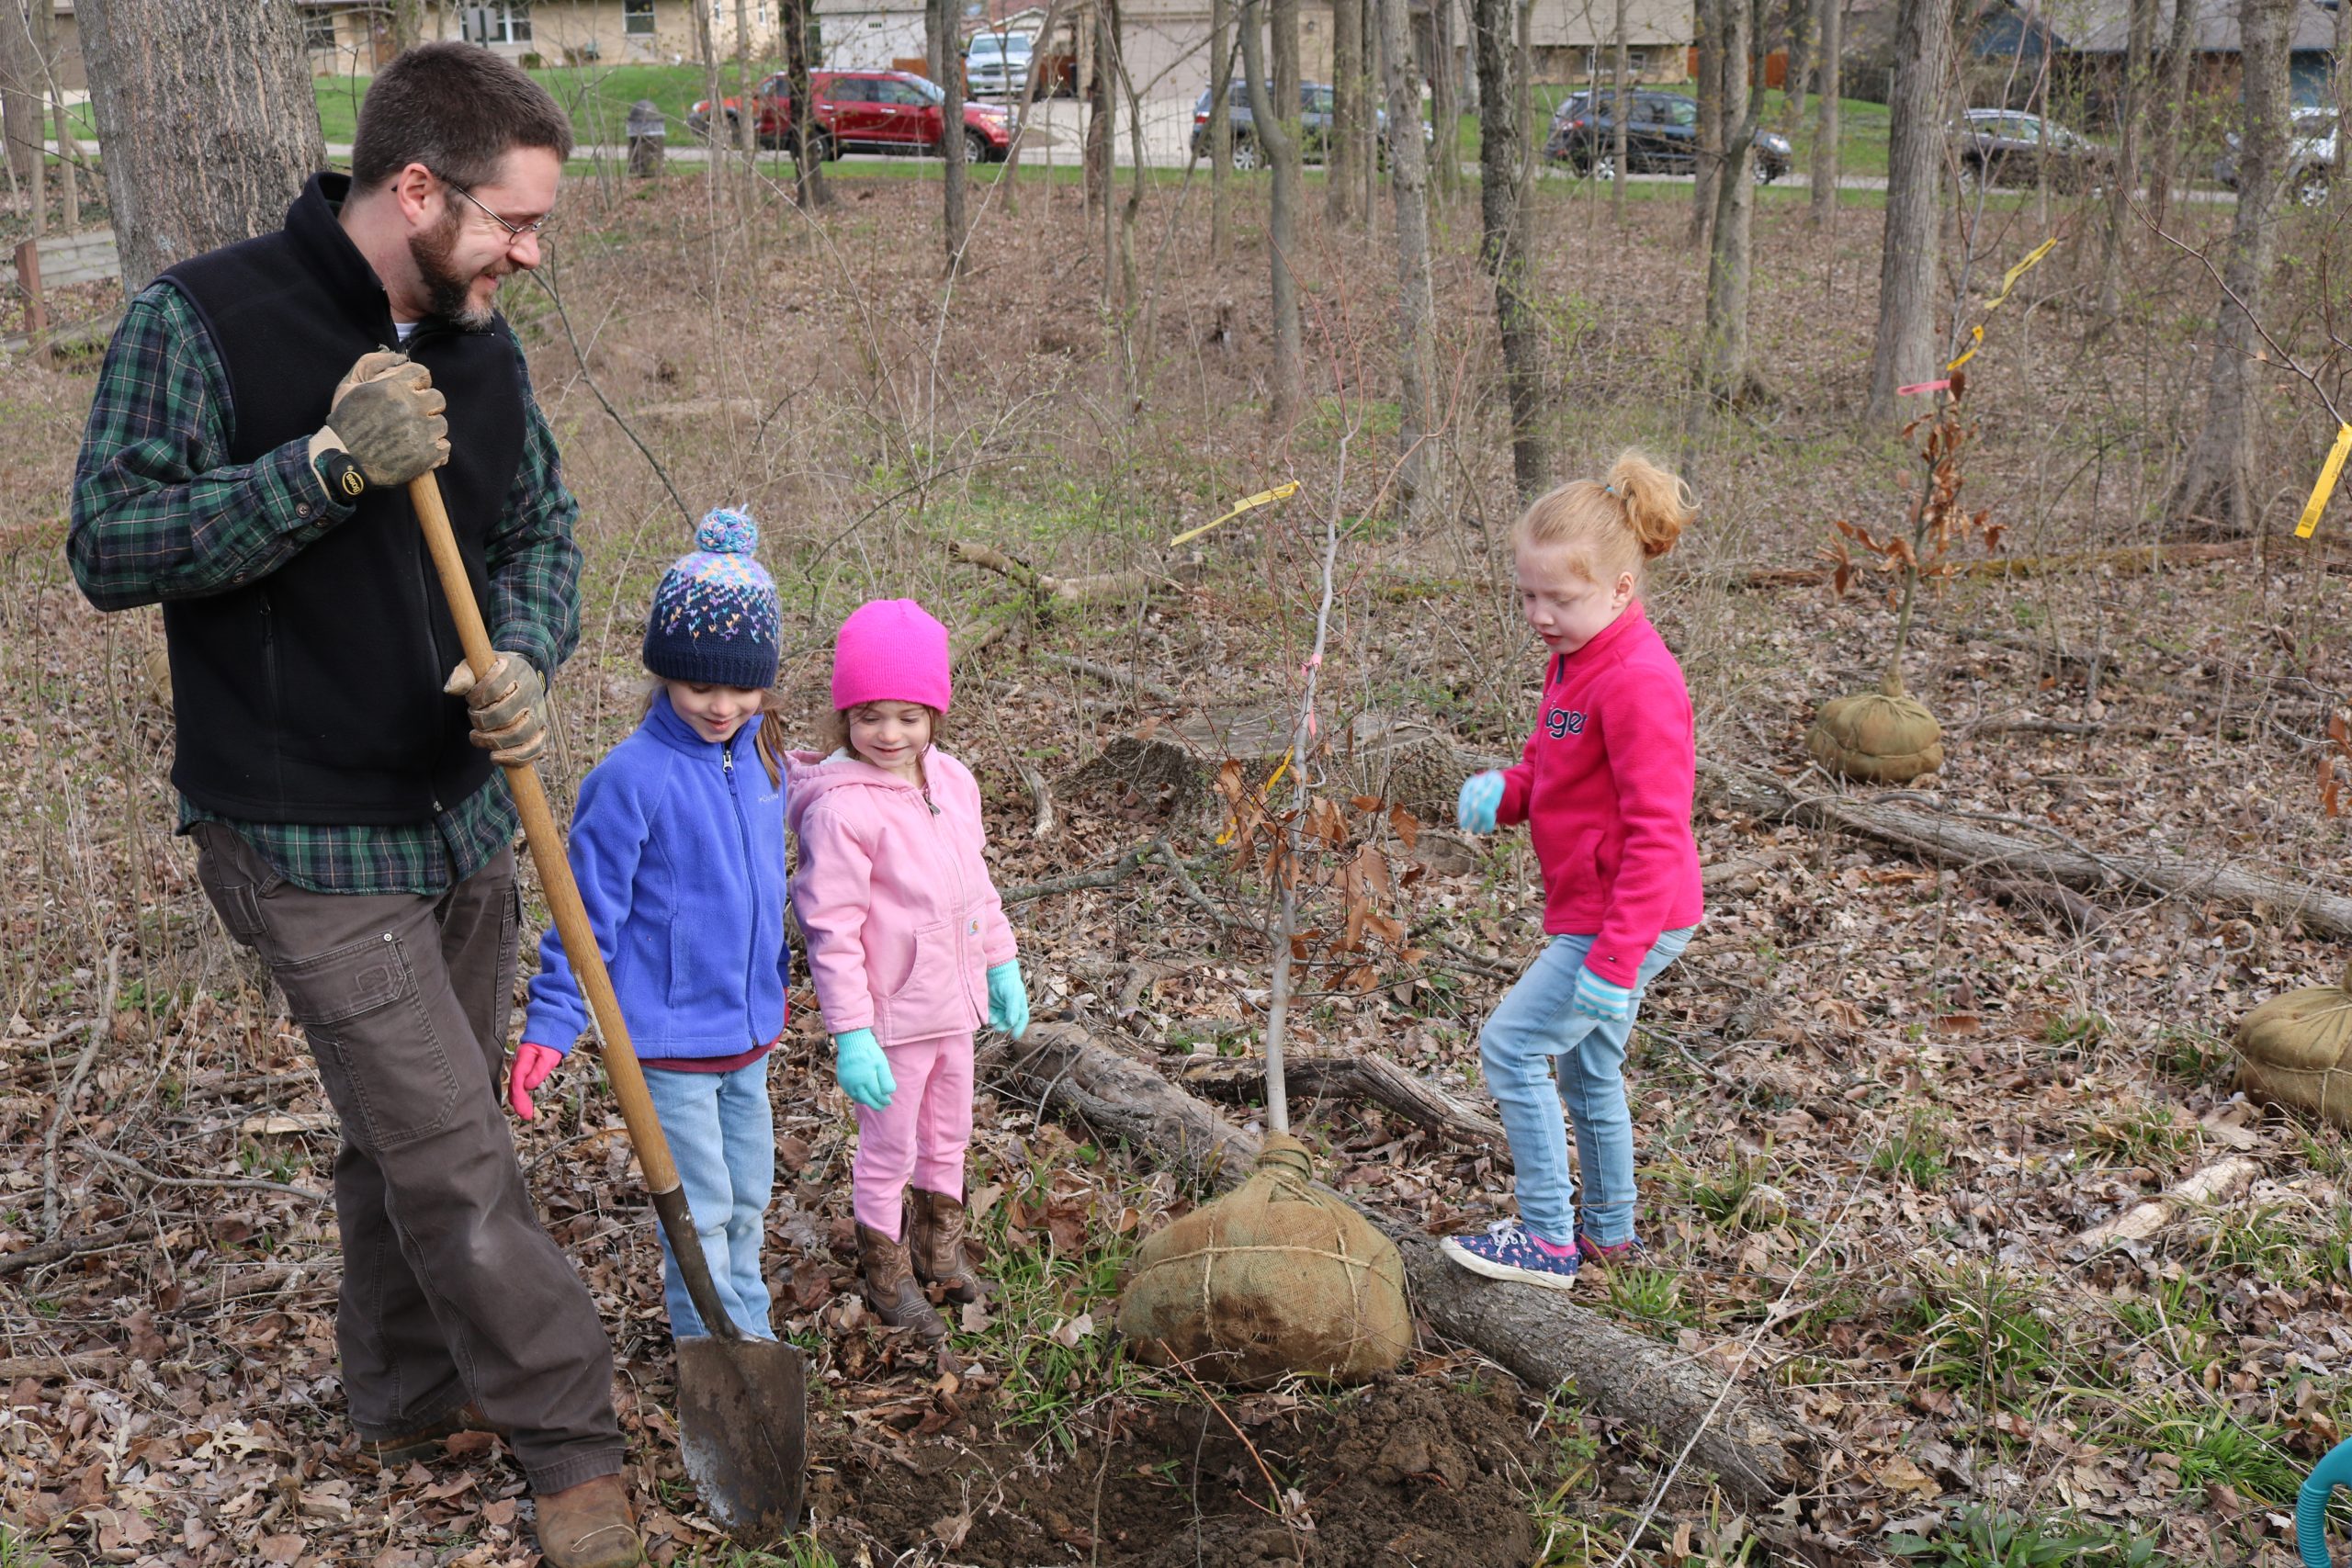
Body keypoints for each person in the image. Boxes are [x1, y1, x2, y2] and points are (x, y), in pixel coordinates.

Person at [65, 43, 641, 1568]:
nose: (531, 251)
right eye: (512, 221)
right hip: (300, 833)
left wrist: (524, 648)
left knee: (411, 1139)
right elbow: (112, 543)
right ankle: (576, 1447)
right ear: (413, 189)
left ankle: (404, 1389)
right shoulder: (203, 321)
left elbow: (545, 534)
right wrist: (320, 468)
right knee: (458, 1153)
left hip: (463, 816)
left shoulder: (482, 339)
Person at [512, 510, 789, 1348]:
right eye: (701, 683)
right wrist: (555, 1022)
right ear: (665, 672)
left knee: (747, 1200)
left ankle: (754, 1341)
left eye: (742, 686)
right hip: (667, 1048)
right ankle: (714, 1354)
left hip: (749, 1038)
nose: (722, 703)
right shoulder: (631, 778)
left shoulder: (767, 760)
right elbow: (583, 912)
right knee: (699, 1214)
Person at [1442, 451, 1704, 1293]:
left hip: (1630, 911)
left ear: (1622, 590)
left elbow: (1658, 836)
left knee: (1512, 1044)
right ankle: (1610, 1230)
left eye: (1561, 598)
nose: (1540, 615)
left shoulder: (1637, 682)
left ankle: (1548, 1237)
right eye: (1529, 595)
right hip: (1603, 908)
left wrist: (1615, 960)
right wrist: (1507, 793)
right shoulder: (1580, 660)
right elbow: (1551, 770)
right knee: (1586, 1066)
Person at [785, 600, 1031, 1346]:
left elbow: (976, 885)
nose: (888, 733)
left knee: (949, 1131)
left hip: (953, 1008)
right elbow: (832, 931)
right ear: (845, 717)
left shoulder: (951, 781)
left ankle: (939, 1249)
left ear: (934, 714)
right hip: (892, 1017)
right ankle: (885, 1270)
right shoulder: (841, 809)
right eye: (869, 716)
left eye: (908, 716)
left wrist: (1002, 961)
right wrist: (851, 1032)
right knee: (890, 1145)